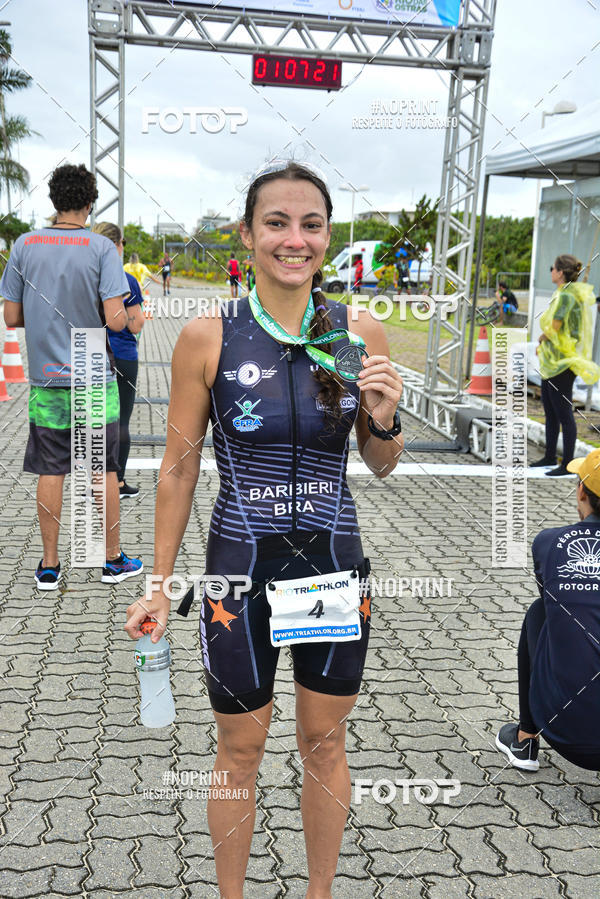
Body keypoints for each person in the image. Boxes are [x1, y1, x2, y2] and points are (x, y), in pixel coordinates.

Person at [124, 160, 404, 897]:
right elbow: (178, 470)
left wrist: (384, 419)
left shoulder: (351, 330)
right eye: (276, 222)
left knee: (323, 741)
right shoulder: (209, 335)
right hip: (236, 574)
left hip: (331, 571)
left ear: (327, 238)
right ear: (247, 235)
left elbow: (381, 462)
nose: (294, 238)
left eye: (310, 224)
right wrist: (159, 583)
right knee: (240, 748)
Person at [0, 163, 143, 588]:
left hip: (47, 379)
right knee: (103, 471)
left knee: (51, 469)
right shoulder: (100, 248)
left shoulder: (25, 245)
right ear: (89, 203)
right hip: (95, 378)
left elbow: (11, 315)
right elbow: (117, 322)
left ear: (53, 201)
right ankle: (112, 560)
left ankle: (48, 566)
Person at [496, 447, 600, 772]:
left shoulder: (549, 542)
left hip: (567, 732)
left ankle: (526, 739)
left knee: (539, 612)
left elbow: (558, 613)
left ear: (581, 490)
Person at [531, 254, 600, 477]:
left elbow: (556, 326)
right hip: (552, 360)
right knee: (550, 409)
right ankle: (550, 455)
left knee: (563, 411)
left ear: (560, 272)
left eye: (553, 268)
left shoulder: (567, 297)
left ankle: (567, 462)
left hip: (562, 363)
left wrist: (541, 339)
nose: (550, 271)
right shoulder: (564, 293)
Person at [93, 221, 146, 499]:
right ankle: (118, 482)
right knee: (121, 420)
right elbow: (135, 325)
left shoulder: (85, 275)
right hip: (122, 355)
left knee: (93, 419)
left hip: (88, 351)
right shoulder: (127, 281)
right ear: (116, 245)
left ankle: (93, 481)